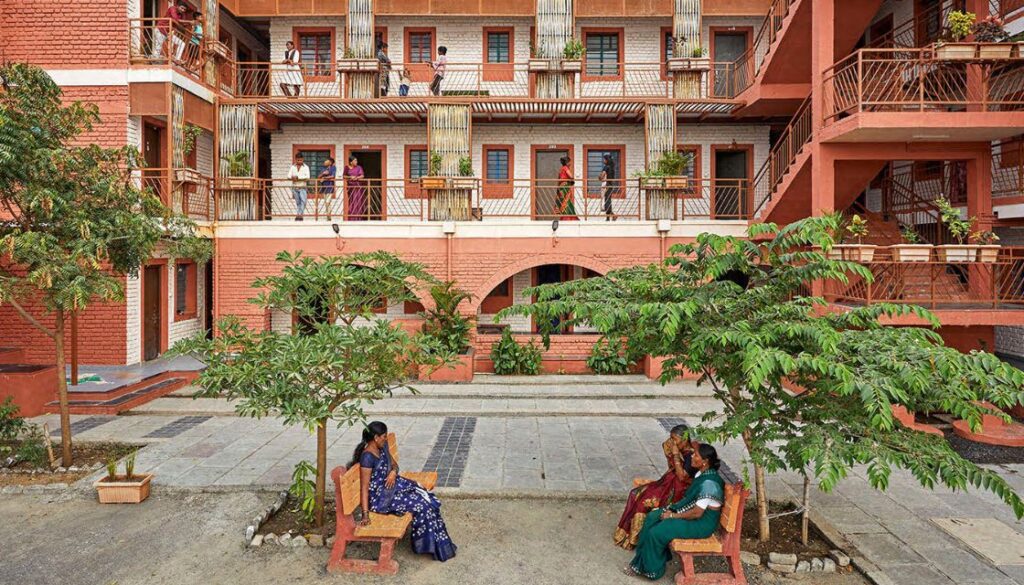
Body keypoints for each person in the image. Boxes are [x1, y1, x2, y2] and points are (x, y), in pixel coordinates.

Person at [354, 421, 457, 562]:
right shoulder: (367, 457)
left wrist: (392, 473)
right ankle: (427, 545)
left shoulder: (382, 447)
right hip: (381, 499)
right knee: (421, 505)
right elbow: (364, 487)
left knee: (426, 497)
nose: (386, 439)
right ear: (376, 438)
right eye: (384, 436)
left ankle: (438, 545)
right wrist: (365, 515)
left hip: (393, 487)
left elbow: (395, 465)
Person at [623, 444, 725, 581]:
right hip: (693, 515)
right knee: (652, 518)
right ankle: (642, 561)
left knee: (657, 532)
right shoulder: (703, 473)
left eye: (696, 455)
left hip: (701, 523)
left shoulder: (709, 484)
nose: (692, 457)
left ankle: (653, 570)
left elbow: (696, 513)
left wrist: (671, 515)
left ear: (705, 461)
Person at [614, 425, 697, 550]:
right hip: (666, 484)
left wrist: (675, 455)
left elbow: (682, 477)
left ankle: (635, 539)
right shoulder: (680, 450)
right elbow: (671, 461)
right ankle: (625, 534)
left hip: (676, 492)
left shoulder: (691, 457)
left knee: (644, 502)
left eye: (675, 439)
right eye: (671, 438)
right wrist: (671, 452)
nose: (672, 442)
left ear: (684, 440)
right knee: (635, 493)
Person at [344, 155, 367, 220]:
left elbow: (362, 176)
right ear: (351, 162)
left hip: (358, 187)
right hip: (351, 187)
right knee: (352, 201)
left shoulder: (359, 167)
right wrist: (350, 177)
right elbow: (344, 176)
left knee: (358, 201)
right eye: (355, 160)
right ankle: (352, 217)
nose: (356, 162)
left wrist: (356, 178)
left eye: (356, 160)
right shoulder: (346, 167)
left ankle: (359, 217)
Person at [288, 153, 310, 220]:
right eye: (298, 160)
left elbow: (308, 177)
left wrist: (298, 177)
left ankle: (299, 216)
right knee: (298, 202)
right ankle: (299, 215)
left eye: (300, 160)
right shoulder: (292, 167)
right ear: (295, 159)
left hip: (302, 187)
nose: (299, 162)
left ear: (303, 159)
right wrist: (292, 177)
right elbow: (288, 176)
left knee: (303, 202)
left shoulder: (306, 167)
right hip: (295, 187)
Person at [556, 155, 577, 219]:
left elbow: (559, 179)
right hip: (565, 186)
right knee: (567, 200)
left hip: (561, 186)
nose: (570, 163)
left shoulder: (561, 169)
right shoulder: (565, 168)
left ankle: (565, 216)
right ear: (567, 162)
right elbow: (570, 176)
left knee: (564, 201)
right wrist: (572, 179)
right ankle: (568, 217)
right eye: (569, 162)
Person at [600, 153, 617, 221]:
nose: (603, 160)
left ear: (607, 160)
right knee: (608, 200)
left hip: (606, 185)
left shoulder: (606, 167)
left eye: (604, 159)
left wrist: (600, 177)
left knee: (607, 201)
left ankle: (612, 215)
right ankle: (608, 217)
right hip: (610, 185)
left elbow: (601, 176)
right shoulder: (612, 168)